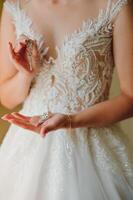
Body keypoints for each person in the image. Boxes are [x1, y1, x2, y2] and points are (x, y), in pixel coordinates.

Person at [0, 0, 133, 199]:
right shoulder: (17, 7)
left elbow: (130, 97)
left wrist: (72, 120)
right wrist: (25, 75)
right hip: (26, 147)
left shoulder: (115, 5)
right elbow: (6, 98)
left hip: (92, 148)